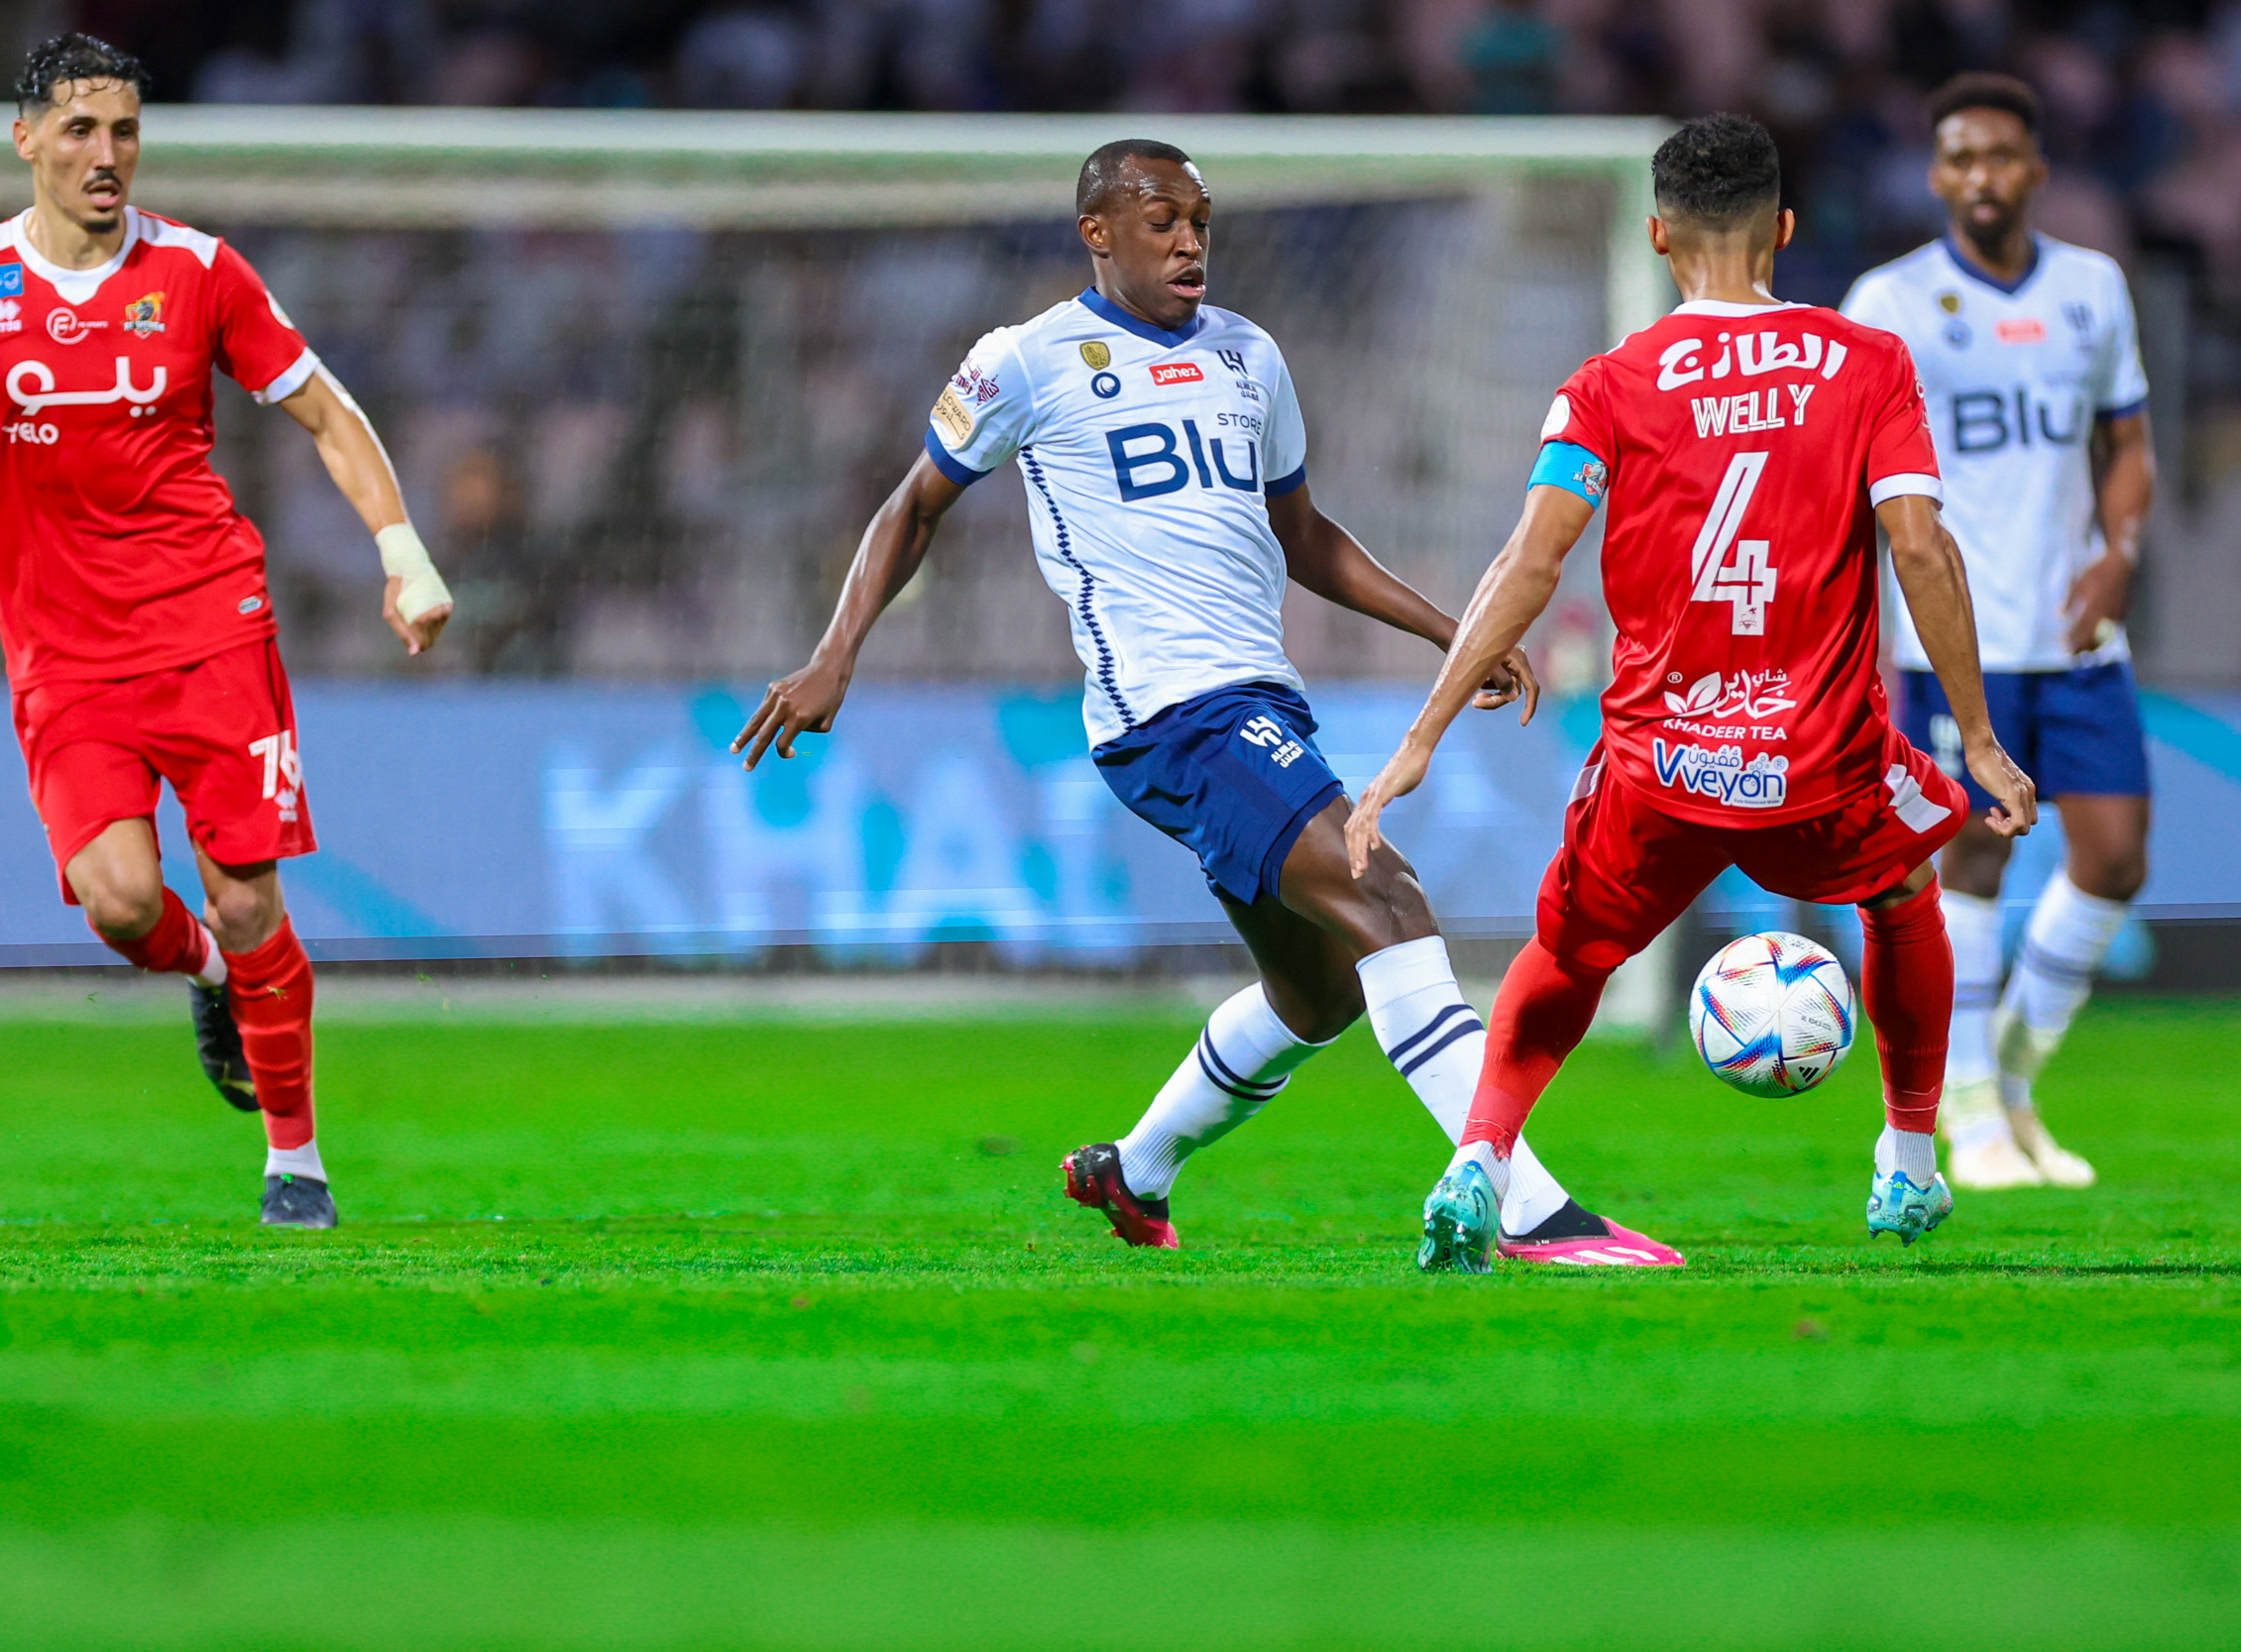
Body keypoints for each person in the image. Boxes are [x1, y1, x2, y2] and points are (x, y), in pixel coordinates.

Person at [735, 138, 1681, 1267]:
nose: (1188, 242)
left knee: (1319, 990)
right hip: (1168, 711)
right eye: (1160, 221)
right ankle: (1522, 1204)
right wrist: (837, 650)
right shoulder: (1027, 359)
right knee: (1387, 893)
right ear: (1097, 232)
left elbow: (1302, 535)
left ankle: (1132, 1173)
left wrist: (1452, 632)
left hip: (1251, 698)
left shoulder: (1249, 354)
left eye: (1200, 221)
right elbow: (913, 504)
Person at [1345, 113, 2038, 1272]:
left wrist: (1420, 736)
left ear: (1659, 235)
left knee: (1565, 952)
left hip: (1659, 767)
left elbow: (1530, 560)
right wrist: (1974, 736)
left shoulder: (1607, 387)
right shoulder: (1866, 362)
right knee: (1907, 875)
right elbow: (1920, 548)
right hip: (1822, 763)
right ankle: (1908, 1166)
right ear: (1782, 230)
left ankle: (1479, 1157)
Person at [0, 35, 453, 1229]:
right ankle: (219, 982)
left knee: (246, 897)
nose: (106, 155)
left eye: (124, 130)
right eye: (79, 130)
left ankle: (298, 1162)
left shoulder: (198, 271)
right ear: (26, 139)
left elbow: (327, 415)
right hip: (64, 654)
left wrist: (404, 552)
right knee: (124, 899)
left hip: (209, 626)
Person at [1841, 73, 2153, 1192]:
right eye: (1961, 158)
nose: (1982, 177)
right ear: (1935, 176)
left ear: (2034, 170)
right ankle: (1967, 1110)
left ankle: (2009, 1073)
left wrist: (2116, 555)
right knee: (1966, 860)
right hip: (1950, 638)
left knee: (2114, 857)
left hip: (2075, 627)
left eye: (2001, 158)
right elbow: (1855, 483)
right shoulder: (1887, 302)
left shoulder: (2091, 289)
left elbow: (2128, 444)